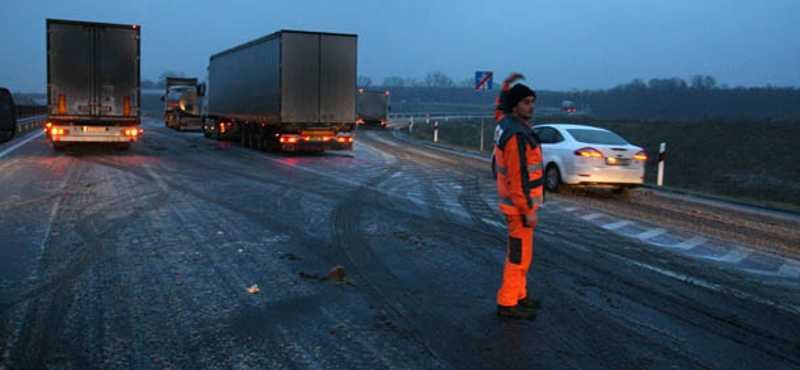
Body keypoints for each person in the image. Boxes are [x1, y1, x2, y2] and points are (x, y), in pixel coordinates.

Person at [492, 73, 545, 320]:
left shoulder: (505, 122)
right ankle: (507, 302)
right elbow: (518, 179)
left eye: (533, 101)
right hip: (518, 209)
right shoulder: (516, 136)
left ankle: (519, 295)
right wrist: (528, 210)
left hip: (516, 207)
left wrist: (506, 86)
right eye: (526, 102)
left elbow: (500, 107)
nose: (531, 106)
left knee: (523, 255)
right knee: (517, 257)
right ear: (516, 106)